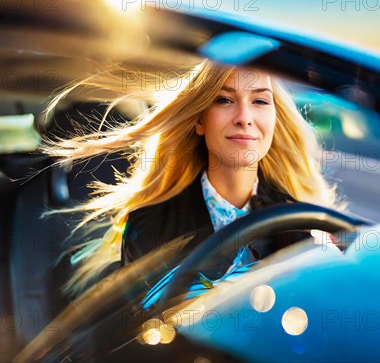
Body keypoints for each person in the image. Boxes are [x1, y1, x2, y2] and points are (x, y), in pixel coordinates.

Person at [43, 60, 341, 295]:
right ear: (199, 120)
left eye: (260, 101)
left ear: (275, 118)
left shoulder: (303, 220)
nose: (244, 117)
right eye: (225, 100)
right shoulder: (150, 226)